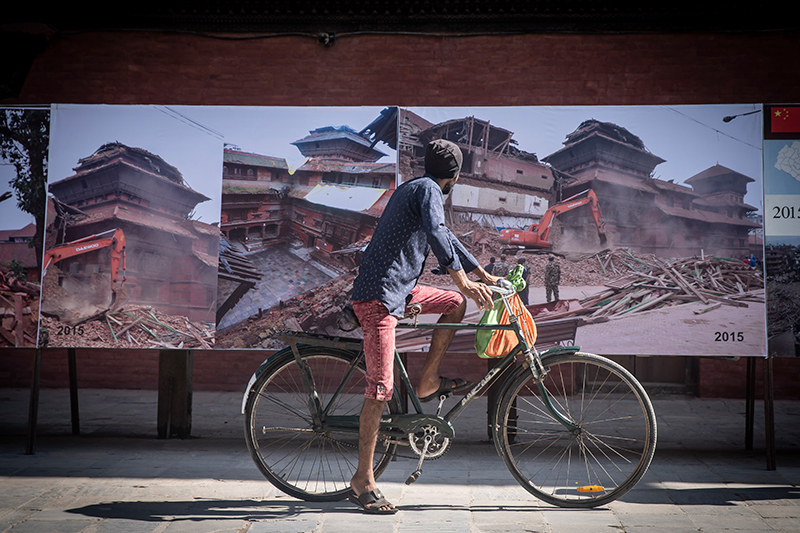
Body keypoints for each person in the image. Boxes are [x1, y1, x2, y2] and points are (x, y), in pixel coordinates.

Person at [349, 139, 500, 514]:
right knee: (380, 388)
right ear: (456, 176)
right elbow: (436, 230)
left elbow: (446, 236)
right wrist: (462, 279)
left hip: (401, 289)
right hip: (380, 296)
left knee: (453, 304)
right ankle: (363, 481)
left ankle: (429, 380)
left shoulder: (416, 187)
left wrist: (482, 274)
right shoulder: (430, 190)